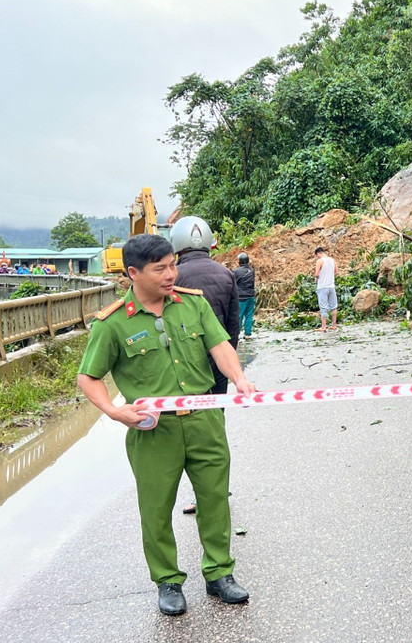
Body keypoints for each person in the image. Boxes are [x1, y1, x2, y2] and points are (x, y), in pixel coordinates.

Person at [76, 234, 256, 616]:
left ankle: (220, 574)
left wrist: (238, 378)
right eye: (160, 269)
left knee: (214, 499)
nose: (171, 274)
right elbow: (88, 378)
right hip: (153, 430)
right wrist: (113, 410)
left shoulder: (193, 304)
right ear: (133, 273)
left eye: (173, 265)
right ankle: (168, 580)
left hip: (205, 419)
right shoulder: (112, 324)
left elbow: (220, 346)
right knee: (156, 508)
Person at [170, 216, 240, 396]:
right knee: (217, 409)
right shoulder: (226, 273)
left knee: (192, 412)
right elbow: (233, 322)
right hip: (220, 353)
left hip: (187, 358)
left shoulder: (173, 276)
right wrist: (228, 354)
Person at [233, 252, 256, 339]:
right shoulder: (251, 270)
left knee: (239, 316)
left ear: (240, 262)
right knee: (249, 315)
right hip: (250, 296)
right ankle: (247, 334)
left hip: (241, 298)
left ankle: (236, 334)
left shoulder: (237, 272)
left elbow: (233, 283)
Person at [314, 246, 338, 331]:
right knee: (333, 306)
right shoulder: (332, 260)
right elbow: (336, 272)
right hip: (331, 286)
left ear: (319, 253)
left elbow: (317, 274)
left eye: (317, 255)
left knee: (323, 307)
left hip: (322, 287)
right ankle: (334, 325)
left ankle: (323, 327)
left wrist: (317, 277)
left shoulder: (319, 261)